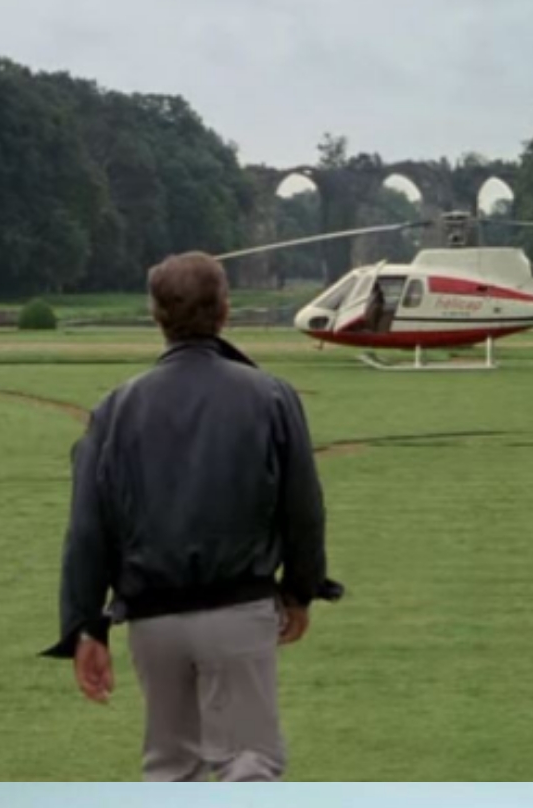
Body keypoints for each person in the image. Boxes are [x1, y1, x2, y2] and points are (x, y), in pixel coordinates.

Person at [44, 250, 339, 780]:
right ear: (225, 309)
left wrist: (86, 627)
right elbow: (303, 510)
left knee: (171, 770)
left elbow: (88, 528)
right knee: (249, 764)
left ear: (156, 315)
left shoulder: (115, 408)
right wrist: (300, 590)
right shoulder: (270, 396)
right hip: (238, 612)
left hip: (151, 620)